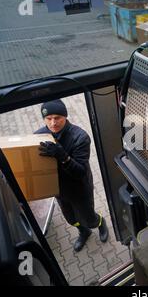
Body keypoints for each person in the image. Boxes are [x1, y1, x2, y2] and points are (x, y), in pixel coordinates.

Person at [34, 99, 108, 252]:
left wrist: (63, 156)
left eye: (57, 118)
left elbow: (80, 172)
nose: (53, 123)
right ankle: (84, 232)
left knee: (89, 219)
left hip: (79, 188)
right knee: (71, 219)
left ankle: (100, 223)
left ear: (65, 116)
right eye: (48, 119)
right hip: (59, 190)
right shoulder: (39, 136)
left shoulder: (80, 137)